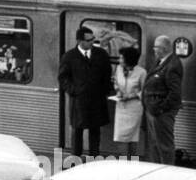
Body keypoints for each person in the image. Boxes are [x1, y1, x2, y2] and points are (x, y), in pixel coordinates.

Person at [57, 26, 112, 158]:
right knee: (77, 131)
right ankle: (75, 160)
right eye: (89, 40)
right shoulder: (69, 57)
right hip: (79, 101)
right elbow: (63, 78)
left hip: (97, 100)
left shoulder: (101, 54)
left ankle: (94, 159)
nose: (92, 42)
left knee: (95, 132)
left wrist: (104, 91)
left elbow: (107, 73)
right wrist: (74, 91)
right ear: (80, 41)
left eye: (93, 39)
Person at [142, 35, 184, 166]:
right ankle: (157, 170)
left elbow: (175, 93)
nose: (154, 50)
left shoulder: (172, 65)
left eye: (156, 47)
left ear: (163, 48)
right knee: (155, 144)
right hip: (153, 110)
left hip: (161, 113)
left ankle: (167, 171)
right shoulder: (160, 61)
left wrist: (160, 108)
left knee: (164, 145)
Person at [113, 44, 146, 158]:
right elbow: (116, 82)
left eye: (121, 58)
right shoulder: (118, 69)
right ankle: (123, 162)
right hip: (121, 109)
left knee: (132, 137)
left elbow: (144, 91)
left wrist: (131, 96)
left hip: (134, 109)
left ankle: (131, 162)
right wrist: (118, 91)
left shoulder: (141, 72)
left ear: (129, 59)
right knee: (120, 137)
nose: (119, 60)